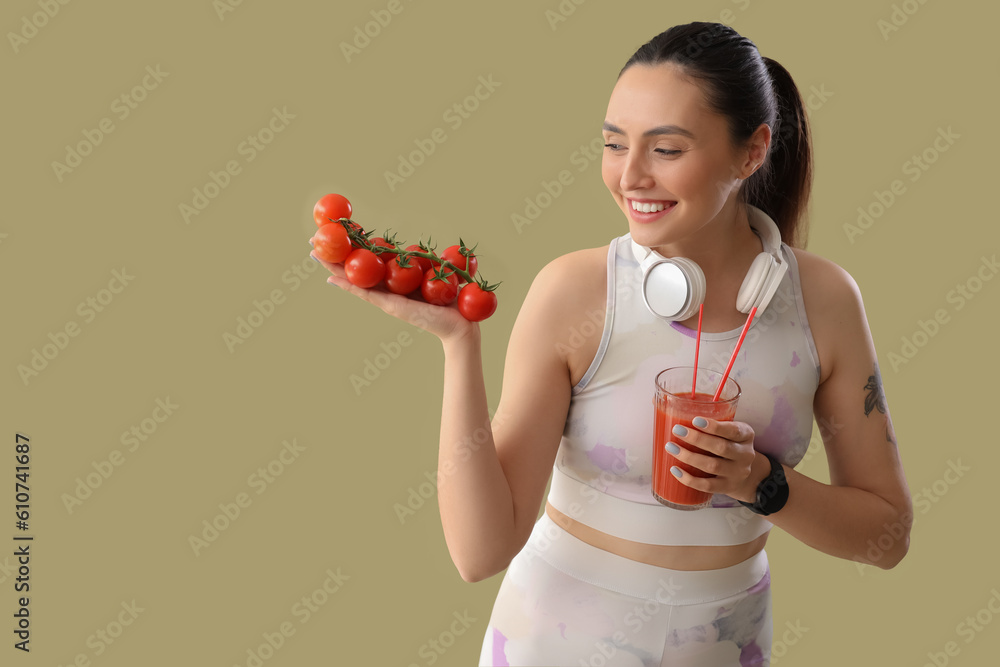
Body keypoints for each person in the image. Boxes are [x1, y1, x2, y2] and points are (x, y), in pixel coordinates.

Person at [312, 21, 912, 667]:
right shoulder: (574, 292)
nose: (630, 176)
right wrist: (460, 348)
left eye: (667, 150)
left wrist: (763, 482)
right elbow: (478, 553)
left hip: (726, 646)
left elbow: (887, 534)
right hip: (555, 642)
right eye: (613, 143)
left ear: (751, 152)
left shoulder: (823, 300)